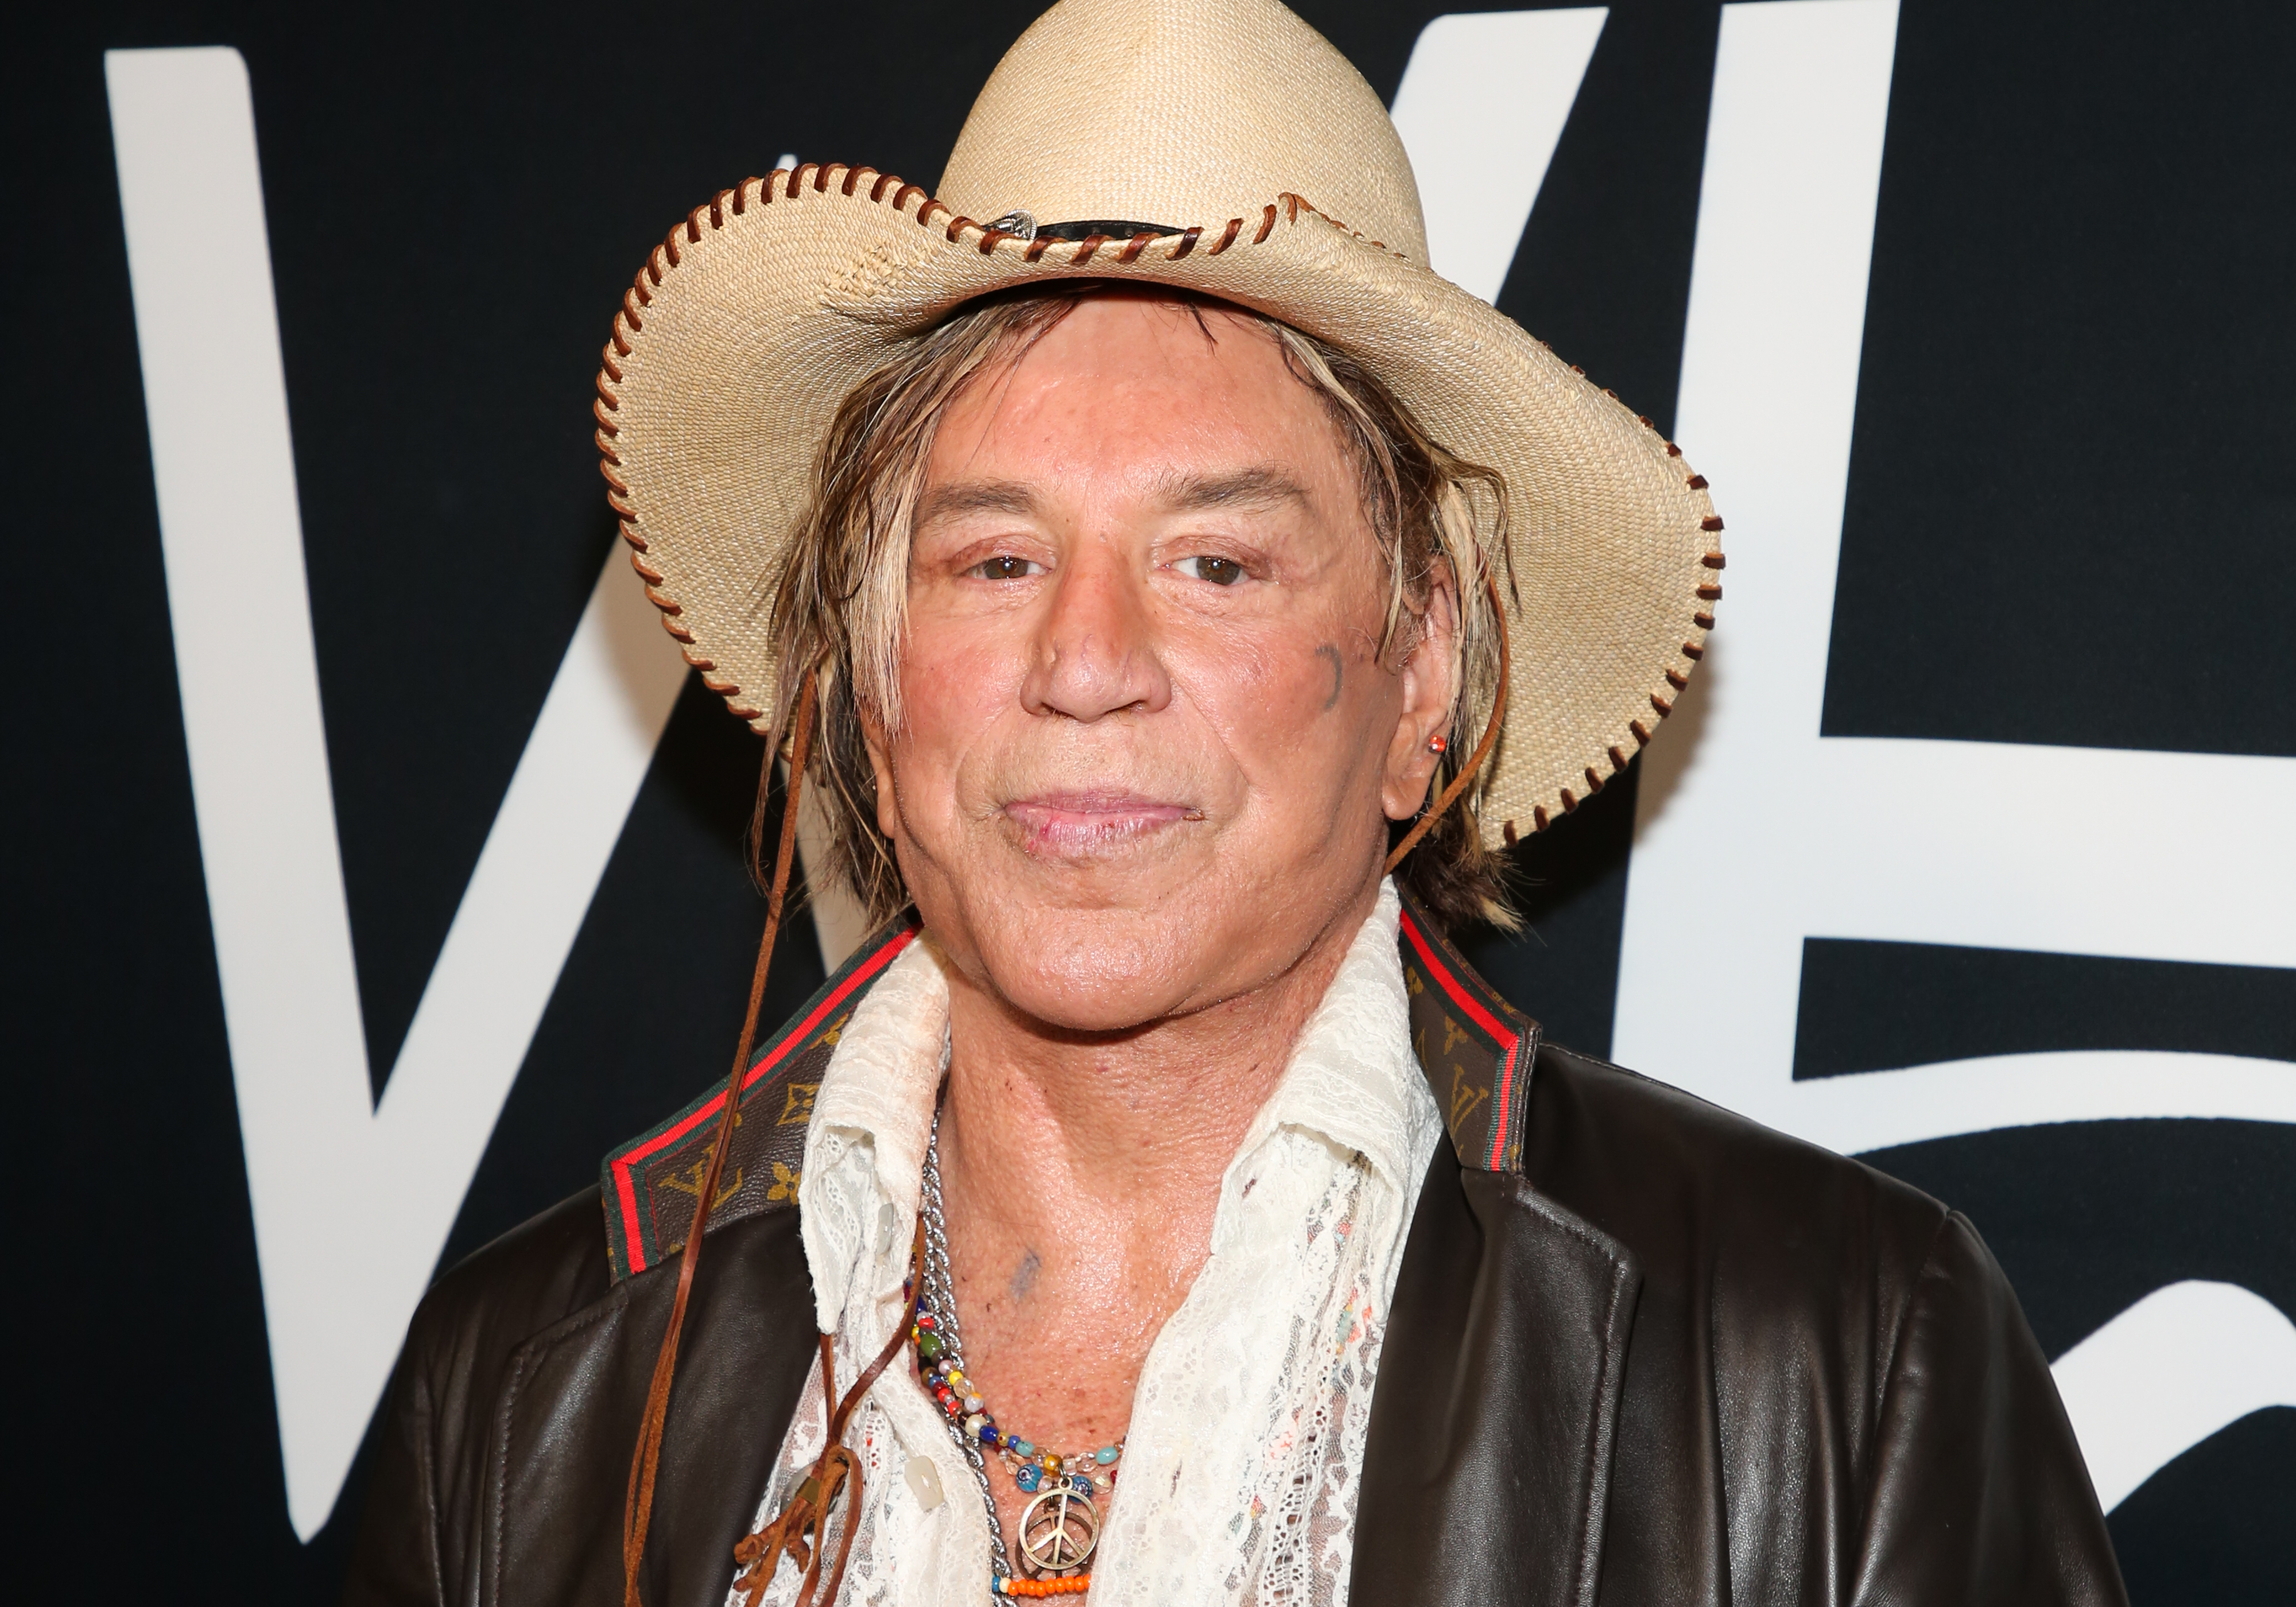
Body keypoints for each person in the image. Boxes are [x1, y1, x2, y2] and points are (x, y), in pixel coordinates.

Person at [345, 2, 2127, 1604]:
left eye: (1213, 562)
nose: (1087, 659)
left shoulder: (1836, 1369)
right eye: (991, 558)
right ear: (870, 684)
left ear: (1422, 676)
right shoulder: (517, 1395)